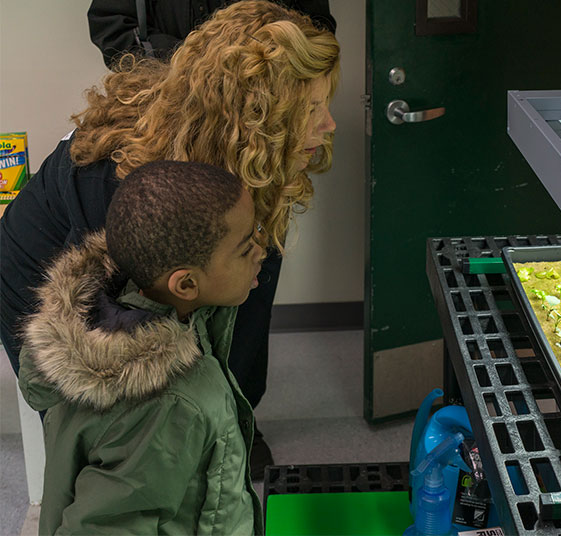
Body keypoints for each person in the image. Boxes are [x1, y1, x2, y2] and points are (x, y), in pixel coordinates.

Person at [0, 0, 338, 479]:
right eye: (310, 110)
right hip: (48, 274)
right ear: (254, 119)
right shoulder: (139, 191)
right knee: (119, 446)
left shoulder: (227, 149)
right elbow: (110, 356)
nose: (330, 126)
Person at [18, 160, 266, 535]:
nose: (261, 251)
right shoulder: (164, 407)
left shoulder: (164, 307)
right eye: (246, 247)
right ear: (185, 285)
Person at [87, 0, 336, 69]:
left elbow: (317, 32)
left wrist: (259, 63)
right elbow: (111, 28)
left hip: (260, 126)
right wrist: (198, 63)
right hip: (168, 123)